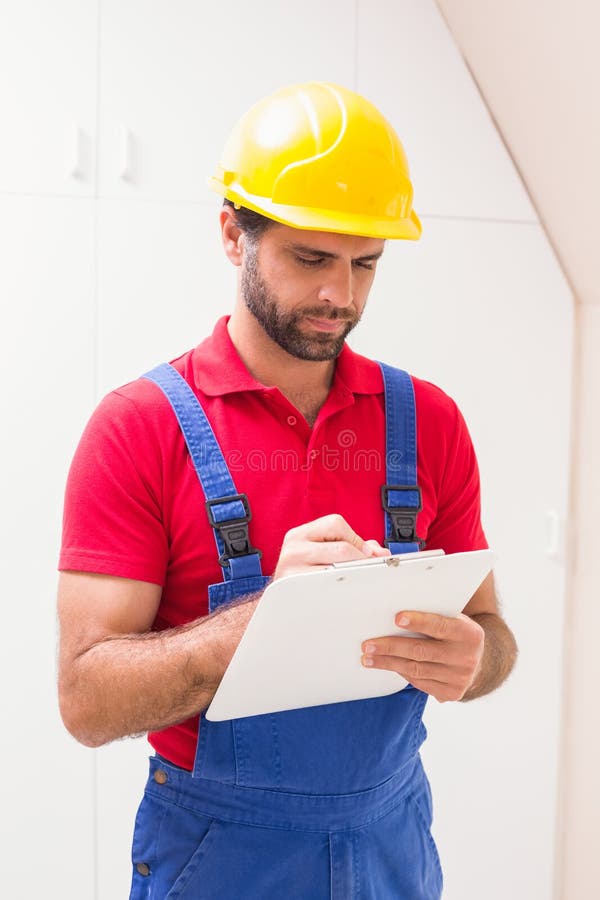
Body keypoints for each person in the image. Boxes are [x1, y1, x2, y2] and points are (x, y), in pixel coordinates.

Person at [57, 82, 517, 899]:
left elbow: (491, 635)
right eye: (310, 258)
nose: (341, 293)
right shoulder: (138, 428)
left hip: (393, 845)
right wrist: (261, 622)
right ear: (233, 234)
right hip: (220, 856)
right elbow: (86, 700)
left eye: (365, 263)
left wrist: (477, 661)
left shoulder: (431, 423)